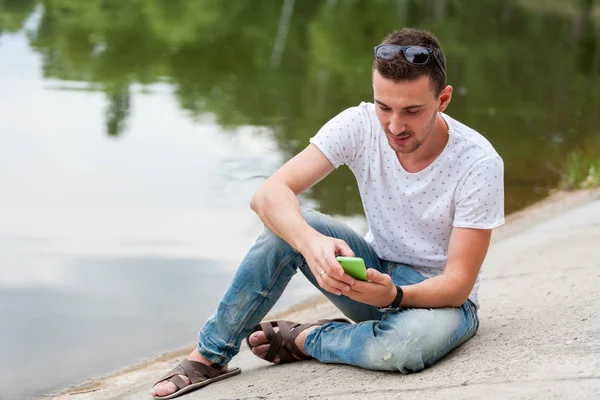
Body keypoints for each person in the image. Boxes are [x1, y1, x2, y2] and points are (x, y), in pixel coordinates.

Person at [150, 27, 504, 399]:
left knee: (405, 349)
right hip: (372, 275)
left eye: (412, 111)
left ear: (443, 99)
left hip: (440, 304)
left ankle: (308, 338)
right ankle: (210, 355)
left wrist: (394, 296)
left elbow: (459, 282)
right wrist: (310, 242)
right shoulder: (360, 124)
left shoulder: (478, 163)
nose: (395, 126)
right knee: (284, 230)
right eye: (384, 107)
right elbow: (268, 195)